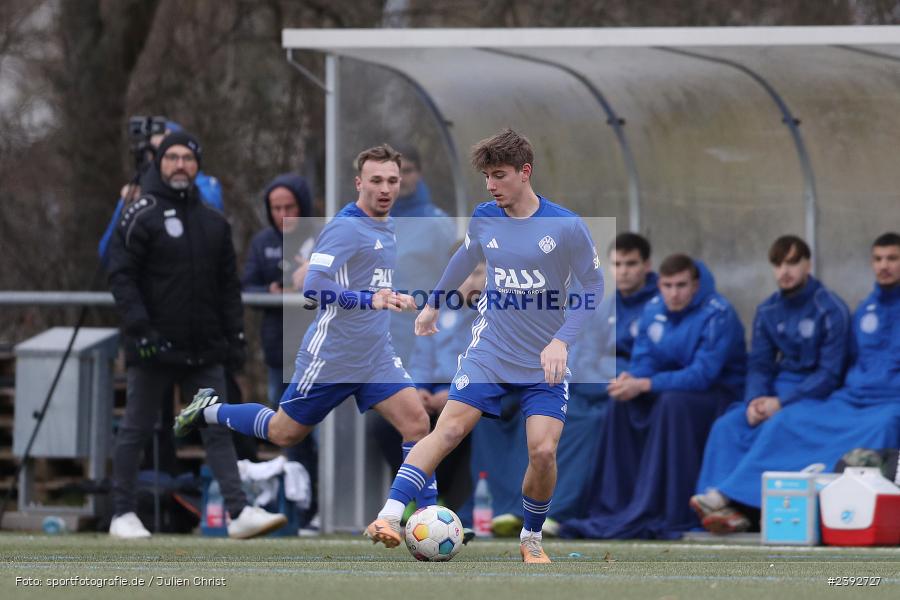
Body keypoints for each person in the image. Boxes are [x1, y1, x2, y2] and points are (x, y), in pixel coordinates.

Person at [365, 128, 605, 563]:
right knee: (449, 430)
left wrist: (561, 341)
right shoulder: (485, 215)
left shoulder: (566, 226)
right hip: (490, 350)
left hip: (544, 361)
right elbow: (467, 255)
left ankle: (531, 538)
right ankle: (390, 514)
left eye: (499, 175)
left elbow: (592, 288)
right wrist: (433, 304)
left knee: (544, 451)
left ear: (525, 172)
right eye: (486, 177)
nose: (491, 185)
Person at [173, 144, 439, 511]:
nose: (386, 188)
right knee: (284, 432)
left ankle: (428, 515)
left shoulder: (388, 224)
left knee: (417, 424)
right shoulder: (346, 228)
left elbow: (366, 280)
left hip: (375, 356)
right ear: (359, 182)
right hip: (332, 357)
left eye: (392, 180)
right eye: (376, 180)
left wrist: (391, 296)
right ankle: (209, 410)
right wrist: (370, 300)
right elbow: (314, 285)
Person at [106, 131, 286, 539]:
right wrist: (140, 328)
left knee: (216, 427)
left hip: (204, 350)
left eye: (187, 157)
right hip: (152, 346)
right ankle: (122, 513)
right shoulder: (139, 213)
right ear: (159, 163)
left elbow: (227, 287)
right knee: (136, 427)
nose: (180, 165)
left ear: (198, 164)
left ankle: (238, 512)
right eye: (171, 157)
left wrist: (235, 338)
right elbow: (121, 276)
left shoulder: (213, 222)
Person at [685, 232, 900, 517]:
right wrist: (756, 399)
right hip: (846, 398)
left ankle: (821, 512)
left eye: (892, 259)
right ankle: (724, 507)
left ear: (808, 265)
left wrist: (782, 402)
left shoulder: (832, 308)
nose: (884, 265)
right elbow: (759, 364)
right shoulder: (864, 308)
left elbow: (830, 372)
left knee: (873, 424)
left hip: (877, 401)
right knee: (733, 425)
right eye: (878, 259)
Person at [562, 254, 746, 540]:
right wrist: (632, 380)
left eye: (681, 285)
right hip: (666, 389)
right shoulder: (653, 309)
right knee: (621, 402)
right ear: (659, 285)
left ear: (695, 284)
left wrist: (646, 383)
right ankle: (615, 506)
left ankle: (671, 508)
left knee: (671, 402)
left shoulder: (718, 313)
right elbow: (644, 358)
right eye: (668, 285)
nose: (674, 293)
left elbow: (703, 375)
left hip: (716, 396)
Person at [241, 173, 320, 530]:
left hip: (319, 354)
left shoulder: (321, 236)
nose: (282, 213)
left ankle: (321, 507)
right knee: (288, 433)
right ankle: (299, 512)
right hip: (278, 353)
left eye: (289, 206)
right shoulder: (262, 242)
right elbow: (248, 287)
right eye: (276, 208)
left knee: (319, 434)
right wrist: (270, 292)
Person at [99, 119, 222, 262]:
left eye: (170, 151)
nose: (161, 156)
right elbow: (107, 253)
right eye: (156, 150)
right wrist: (127, 205)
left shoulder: (205, 184)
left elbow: (212, 207)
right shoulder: (140, 189)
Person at [388, 145, 457, 365]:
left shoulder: (437, 224)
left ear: (419, 173)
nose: (401, 179)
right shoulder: (371, 221)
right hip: (376, 337)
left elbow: (454, 283)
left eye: (407, 171)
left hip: (418, 339)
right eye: (394, 173)